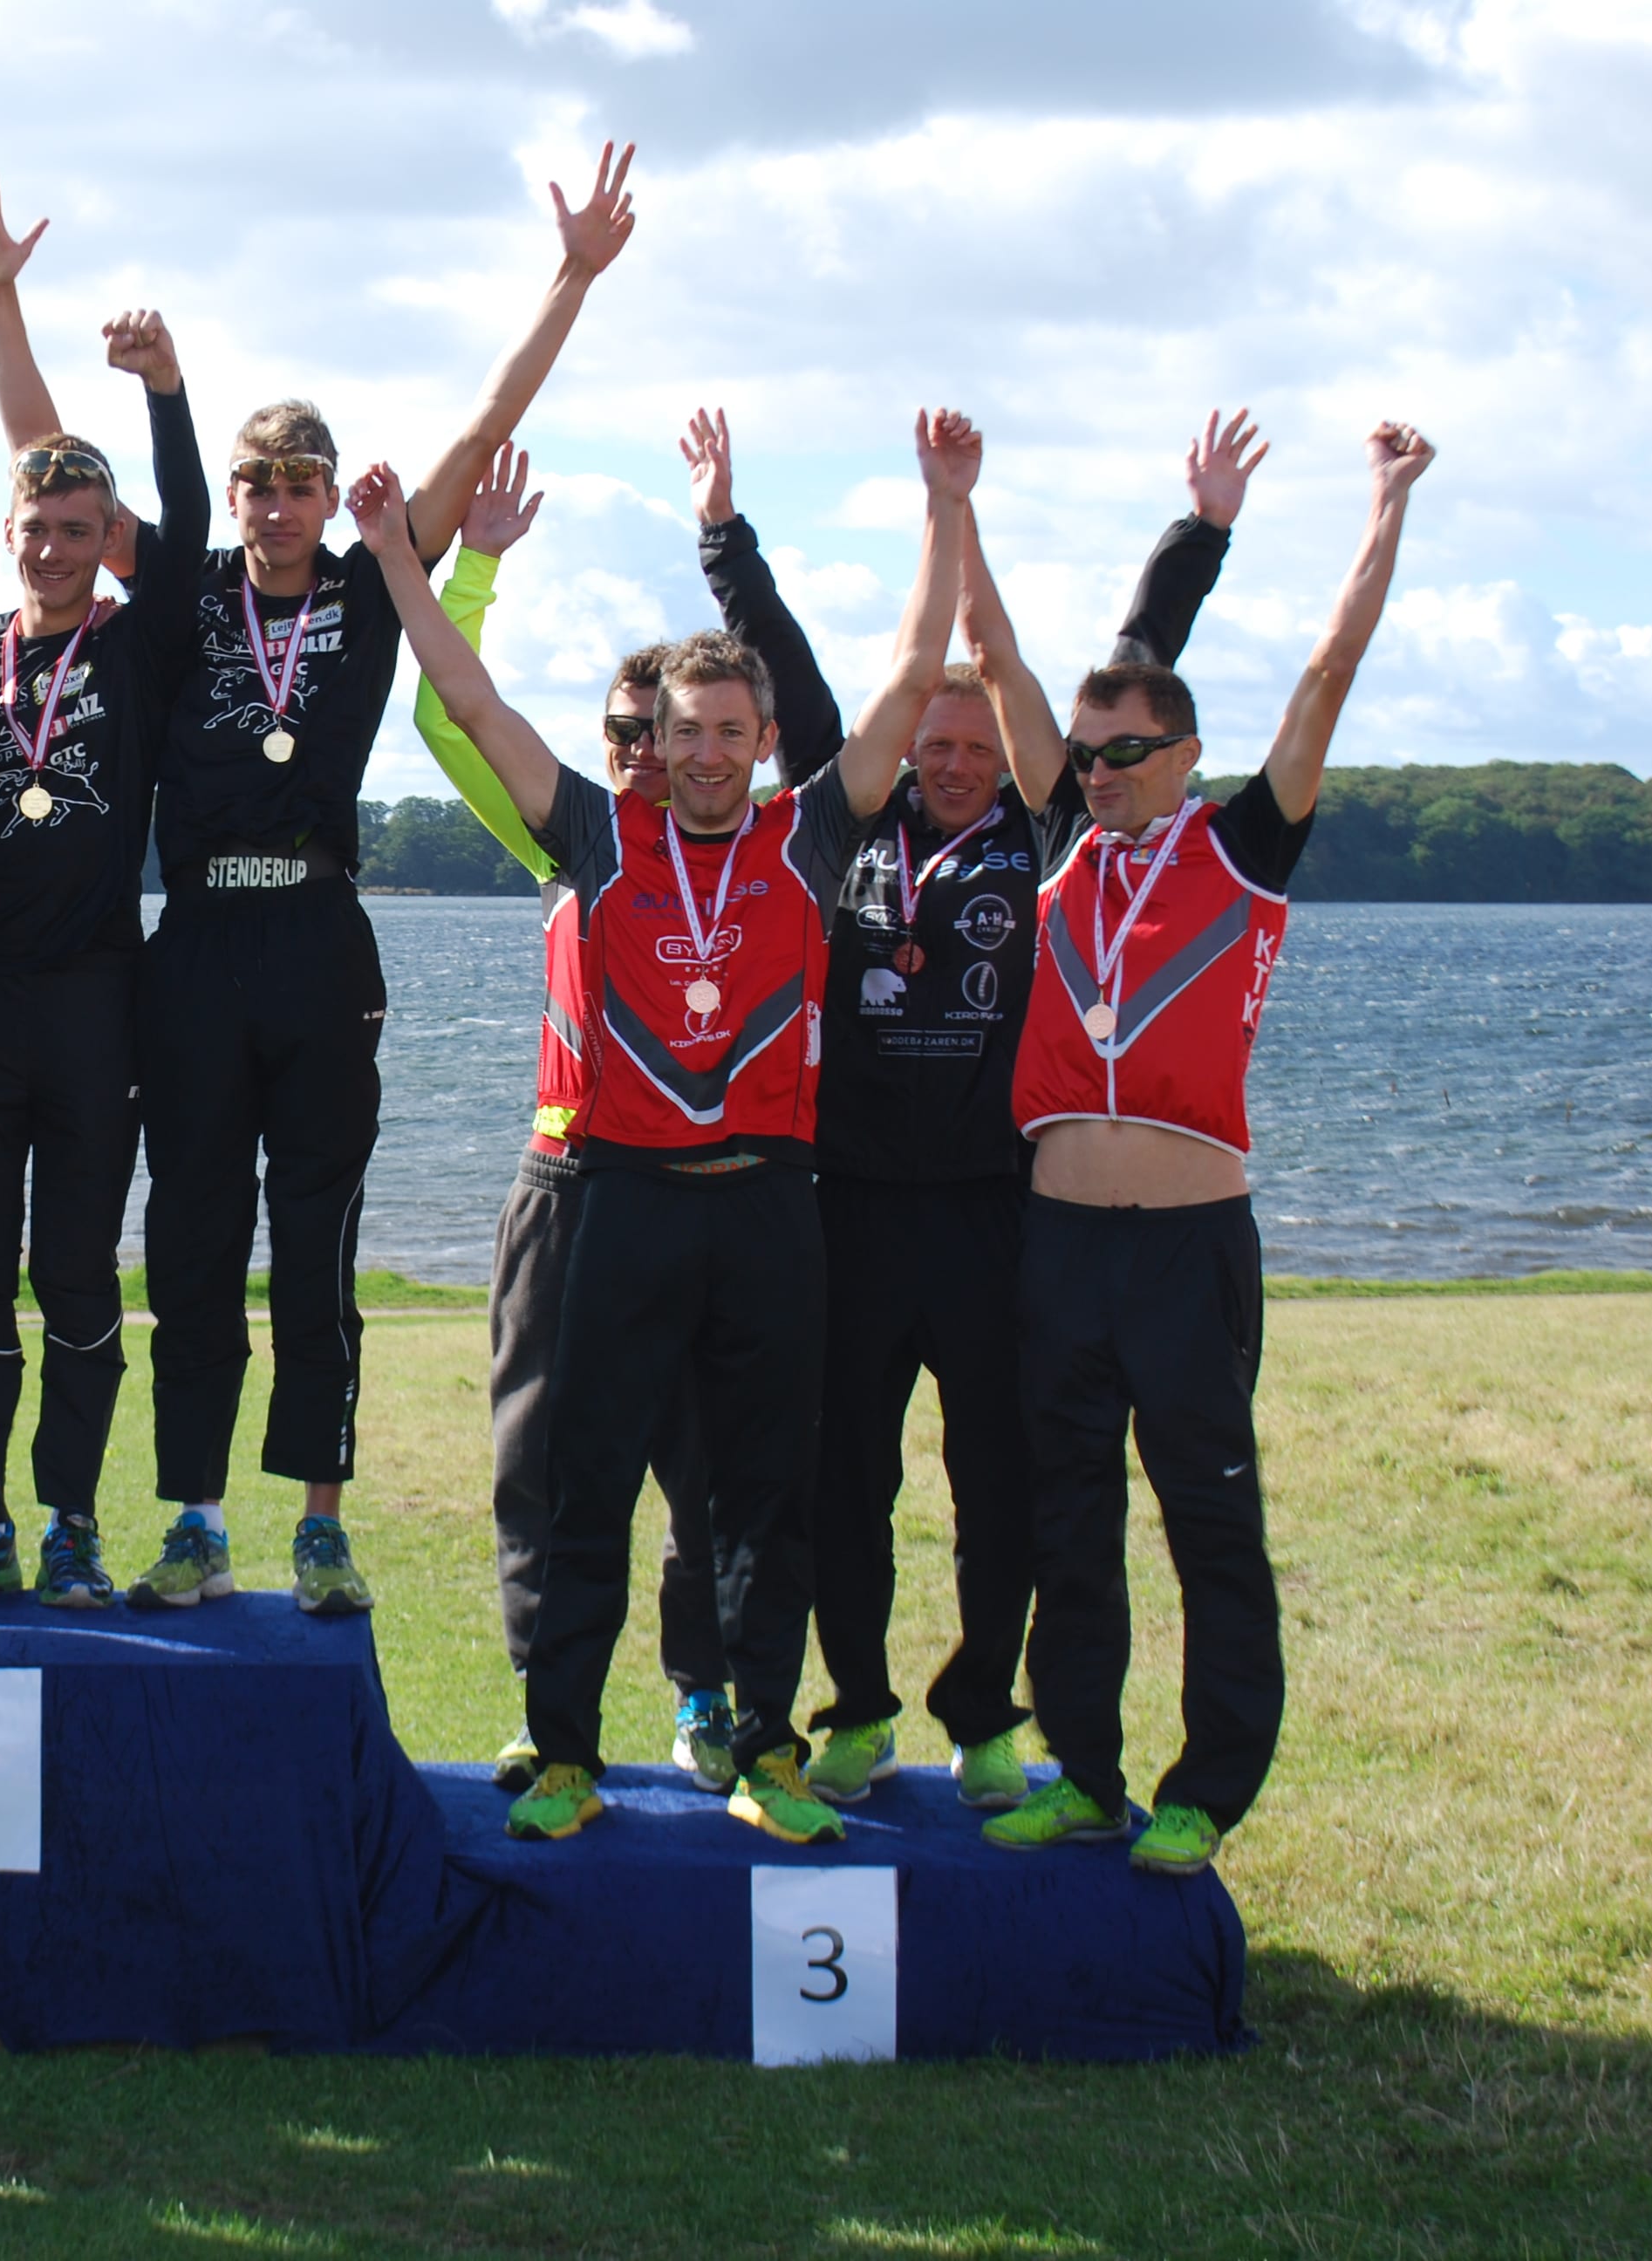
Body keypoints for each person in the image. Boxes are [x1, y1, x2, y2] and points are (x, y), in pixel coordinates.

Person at [0, 150, 640, 1614]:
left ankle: (322, 1522)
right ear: (236, 495)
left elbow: (487, 425)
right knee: (197, 1244)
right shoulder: (188, 587)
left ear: (335, 498)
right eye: (257, 483)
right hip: (195, 943)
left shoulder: (372, 584)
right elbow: (52, 479)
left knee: (315, 1244)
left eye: (300, 484)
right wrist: (6, 307)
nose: (275, 503)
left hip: (322, 940)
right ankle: (197, 1521)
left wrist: (573, 276)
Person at [355, 406, 971, 1846]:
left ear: (765, 745)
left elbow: (901, 681)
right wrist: (394, 555)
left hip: (767, 1203)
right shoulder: (595, 833)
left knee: (765, 1492)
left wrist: (944, 509)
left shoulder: (809, 837)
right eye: (684, 733)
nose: (705, 755)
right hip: (619, 1196)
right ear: (661, 742)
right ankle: (563, 1745)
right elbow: (471, 700)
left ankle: (759, 1743)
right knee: (582, 1483)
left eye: (730, 734)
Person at [684, 404, 1263, 1813]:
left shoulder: (1049, 832)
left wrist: (1201, 534)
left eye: (970, 747)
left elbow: (1139, 667)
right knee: (843, 1482)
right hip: (856, 1206)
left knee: (1005, 1487)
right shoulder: (854, 812)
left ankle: (986, 1713)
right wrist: (722, 531)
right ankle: (861, 1705)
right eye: (929, 744)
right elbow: (796, 668)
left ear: (1007, 756)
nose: (948, 765)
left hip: (1004, 1216)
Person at [982, 422, 1437, 1876]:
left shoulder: (1244, 848)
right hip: (1059, 1244)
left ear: (1185, 755)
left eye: (1130, 751)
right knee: (1069, 1518)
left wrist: (1382, 506)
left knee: (1206, 1522)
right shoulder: (1060, 849)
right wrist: (956, 507)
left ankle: (1208, 1786)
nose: (1101, 769)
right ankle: (1084, 1770)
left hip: (1186, 1250)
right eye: (1088, 749)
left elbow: (1328, 672)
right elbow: (992, 656)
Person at [406, 447, 733, 1792]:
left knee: (705, 1473)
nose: (632, 755)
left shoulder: (749, 852)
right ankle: (555, 1716)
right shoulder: (565, 843)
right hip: (566, 1183)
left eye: (650, 733)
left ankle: (707, 1697)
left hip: (709, 1194)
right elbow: (445, 721)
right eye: (612, 733)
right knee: (540, 1467)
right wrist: (472, 562)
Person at [0, 184, 212, 1613]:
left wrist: (162, 392)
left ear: (106, 540)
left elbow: (193, 515)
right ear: (8, 530)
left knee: (81, 1280)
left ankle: (73, 1518)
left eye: (79, 526)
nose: (51, 543)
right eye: (35, 521)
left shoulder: (141, 648)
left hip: (101, 1006)